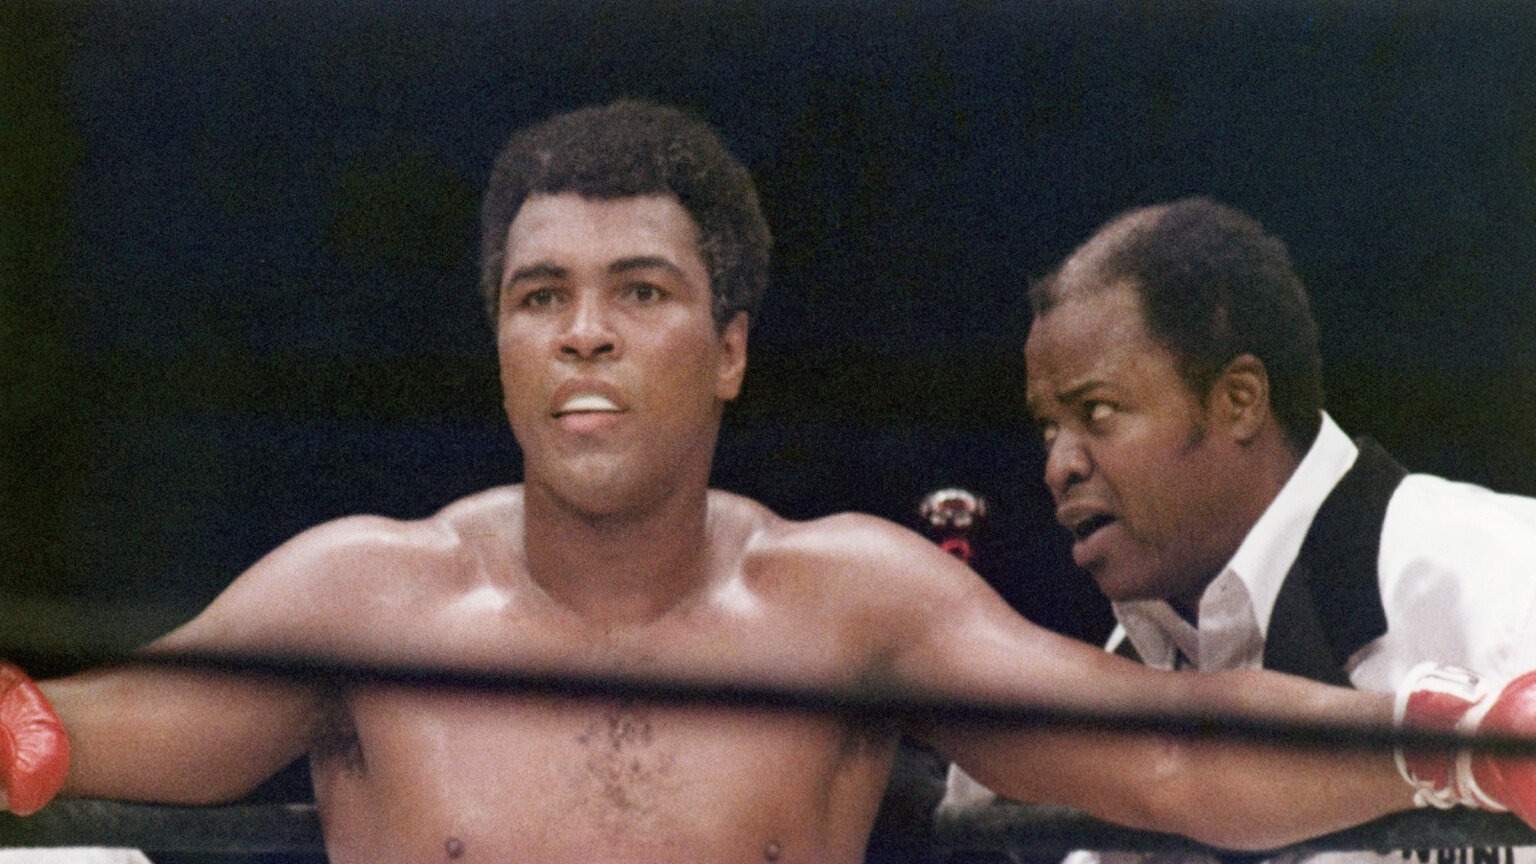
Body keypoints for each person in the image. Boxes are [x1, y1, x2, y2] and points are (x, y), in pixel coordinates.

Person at [6, 105, 1535, 864]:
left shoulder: (844, 603)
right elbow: (65, 734)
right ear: (497, 343)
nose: (584, 330)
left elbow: (1167, 752)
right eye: (539, 296)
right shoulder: (358, 595)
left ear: (731, 347)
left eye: (640, 292)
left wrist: (1457, 748)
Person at [943, 196, 1536, 864]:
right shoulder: (1118, 678)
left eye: (1098, 411)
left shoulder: (1497, 580)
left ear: (1239, 400)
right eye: (1049, 427)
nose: (1059, 466)